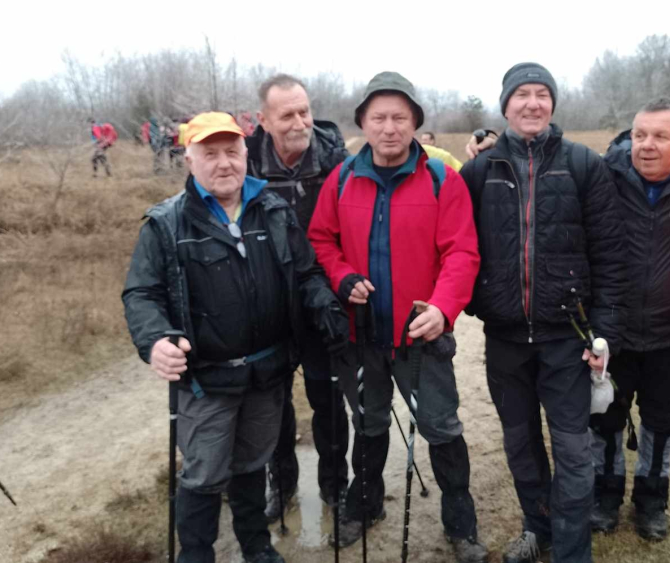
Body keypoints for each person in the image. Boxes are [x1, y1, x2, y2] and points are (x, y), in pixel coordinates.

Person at [122, 112, 348, 563]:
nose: (223, 163)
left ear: (247, 155)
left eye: (232, 152)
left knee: (250, 465)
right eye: (210, 153)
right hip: (207, 379)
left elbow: (304, 273)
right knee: (204, 474)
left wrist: (324, 302)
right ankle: (197, 555)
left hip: (268, 373)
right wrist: (156, 340)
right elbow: (142, 293)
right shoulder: (166, 224)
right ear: (188, 158)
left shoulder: (275, 211)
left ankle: (256, 547)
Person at [308, 71, 488, 563]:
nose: (390, 128)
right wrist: (342, 276)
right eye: (379, 118)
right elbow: (320, 239)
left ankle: (461, 523)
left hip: (420, 336)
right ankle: (365, 506)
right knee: (366, 425)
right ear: (363, 123)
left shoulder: (440, 179)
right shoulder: (341, 179)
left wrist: (443, 307)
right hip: (360, 334)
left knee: (442, 427)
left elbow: (462, 253)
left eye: (400, 118)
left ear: (415, 124)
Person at [459, 62, 626, 563]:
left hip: (566, 340)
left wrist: (604, 335)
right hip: (506, 339)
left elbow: (610, 256)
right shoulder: (479, 171)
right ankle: (540, 528)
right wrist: (478, 300)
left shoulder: (583, 165)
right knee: (520, 445)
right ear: (505, 104)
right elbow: (459, 246)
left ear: (552, 103)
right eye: (522, 95)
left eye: (542, 95)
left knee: (573, 450)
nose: (532, 103)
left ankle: (573, 551)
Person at [589, 97, 670, 540]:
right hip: (613, 329)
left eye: (660, 136)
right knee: (604, 418)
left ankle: (651, 501)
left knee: (660, 423)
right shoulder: (606, 176)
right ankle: (604, 496)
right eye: (639, 134)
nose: (646, 145)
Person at [246, 73, 351, 521]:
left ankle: (335, 488)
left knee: (328, 400)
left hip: (321, 298)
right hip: (265, 304)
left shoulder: (337, 161)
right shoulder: (245, 162)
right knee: (273, 404)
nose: (299, 122)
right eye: (286, 114)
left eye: (304, 110)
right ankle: (282, 485)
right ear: (264, 121)